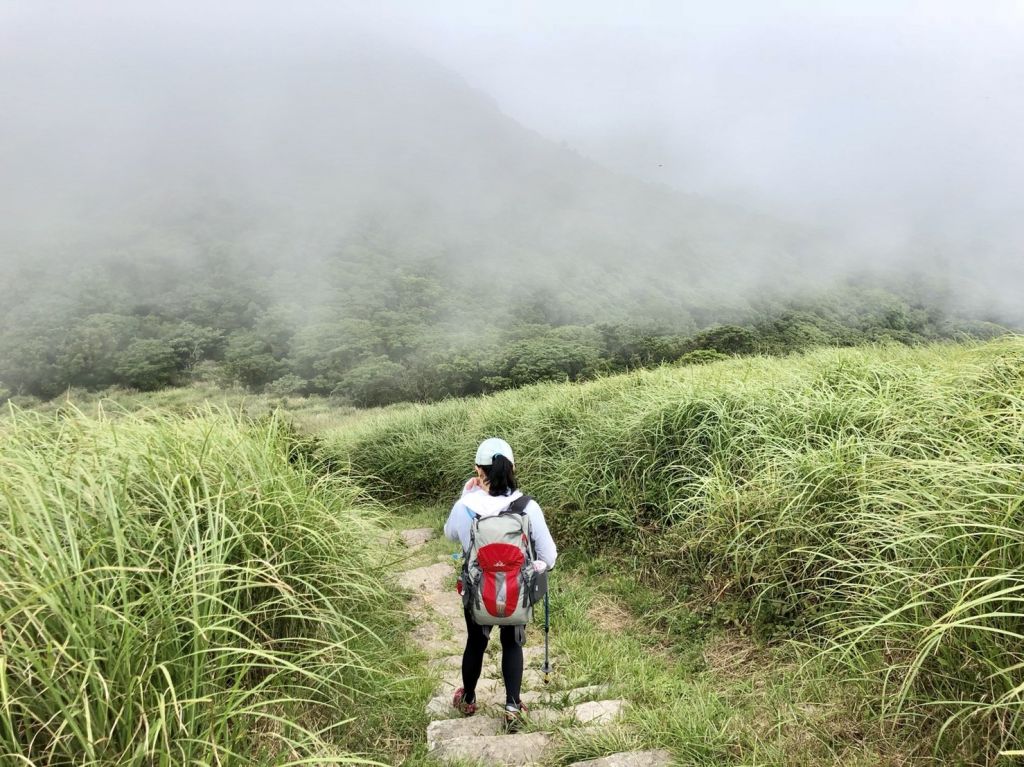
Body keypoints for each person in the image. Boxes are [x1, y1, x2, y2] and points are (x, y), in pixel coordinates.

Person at [443, 437, 557, 727]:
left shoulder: (466, 505)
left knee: (475, 642)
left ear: (477, 470)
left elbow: (450, 534)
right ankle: (512, 707)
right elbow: (549, 556)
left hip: (477, 590)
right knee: (512, 644)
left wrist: (464, 495)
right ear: (513, 468)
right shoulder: (528, 507)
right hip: (515, 591)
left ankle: (468, 699)